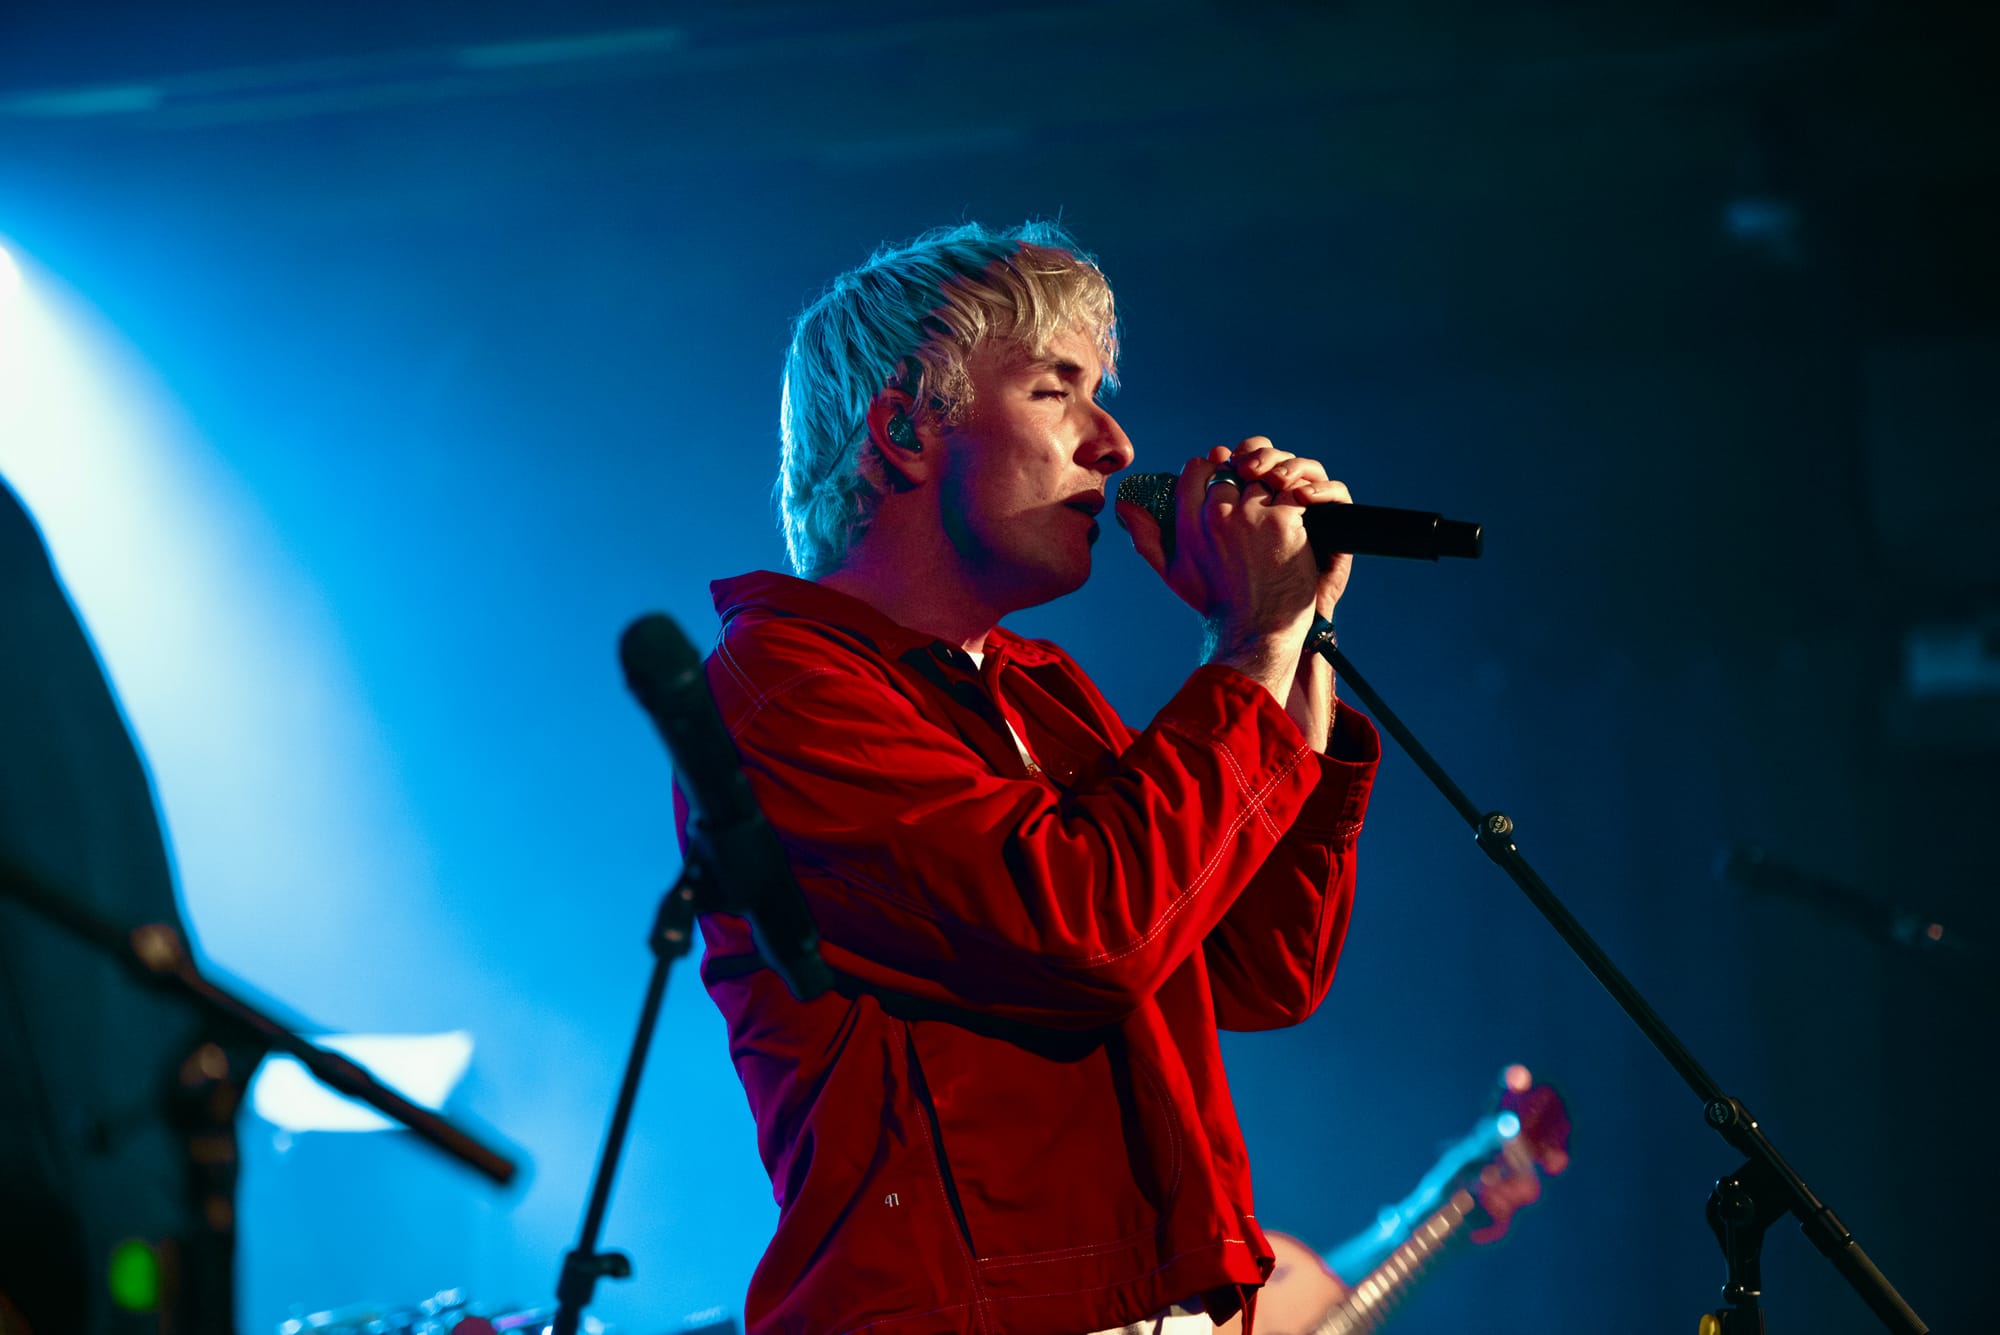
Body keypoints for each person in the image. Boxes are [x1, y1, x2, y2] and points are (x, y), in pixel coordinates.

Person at [680, 221, 1381, 1335]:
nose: (1113, 443)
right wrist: (1249, 645)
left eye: (1099, 394)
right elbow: (1085, 928)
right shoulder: (781, 688)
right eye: (1057, 392)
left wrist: (1295, 640)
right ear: (903, 430)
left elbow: (1259, 968)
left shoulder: (1039, 687)